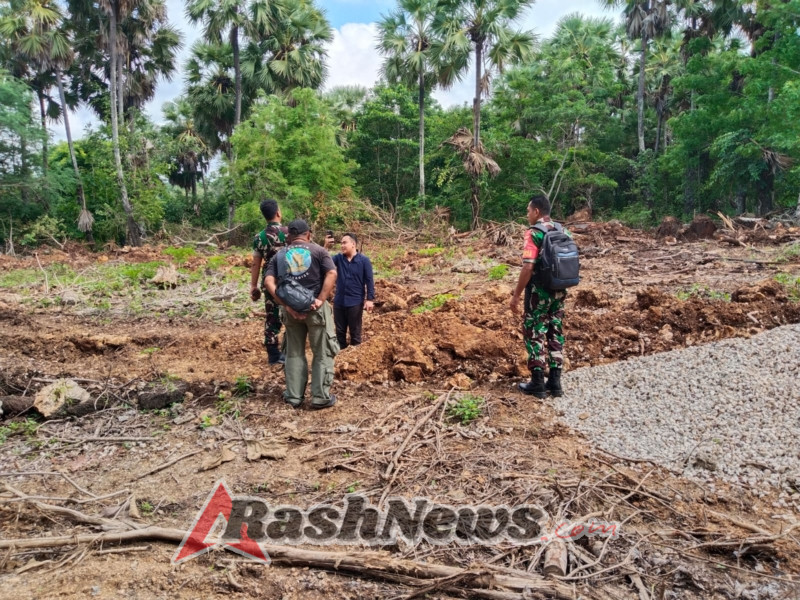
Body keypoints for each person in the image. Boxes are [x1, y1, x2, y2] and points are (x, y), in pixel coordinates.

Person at [264, 219, 339, 409]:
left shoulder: (280, 255)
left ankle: (294, 397)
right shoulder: (319, 251)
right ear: (308, 235)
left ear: (289, 236)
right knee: (322, 352)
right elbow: (332, 273)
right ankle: (320, 397)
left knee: (294, 353)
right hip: (316, 310)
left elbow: (268, 282)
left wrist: (286, 305)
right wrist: (320, 299)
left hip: (291, 311)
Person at [510, 195, 571, 398]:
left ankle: (537, 382)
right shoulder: (563, 230)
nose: (527, 215)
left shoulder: (534, 233)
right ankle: (555, 381)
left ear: (536, 211)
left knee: (534, 331)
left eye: (528, 211)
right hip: (560, 290)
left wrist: (516, 295)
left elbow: (528, 266)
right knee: (555, 330)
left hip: (539, 293)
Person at [250, 199, 288, 365]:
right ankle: (290, 350)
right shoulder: (289, 233)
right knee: (292, 312)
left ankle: (273, 354)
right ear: (278, 212)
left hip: (269, 280)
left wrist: (253, 286)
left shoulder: (259, 237)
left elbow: (256, 263)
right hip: (289, 280)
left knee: (272, 316)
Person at [323, 232, 375, 349]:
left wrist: (369, 299)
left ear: (353, 244)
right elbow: (324, 261)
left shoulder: (364, 261)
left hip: (355, 302)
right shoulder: (339, 258)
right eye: (341, 243)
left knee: (355, 332)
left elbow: (369, 280)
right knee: (340, 332)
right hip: (339, 302)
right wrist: (325, 247)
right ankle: (341, 355)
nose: (342, 245)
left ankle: (355, 356)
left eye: (344, 243)